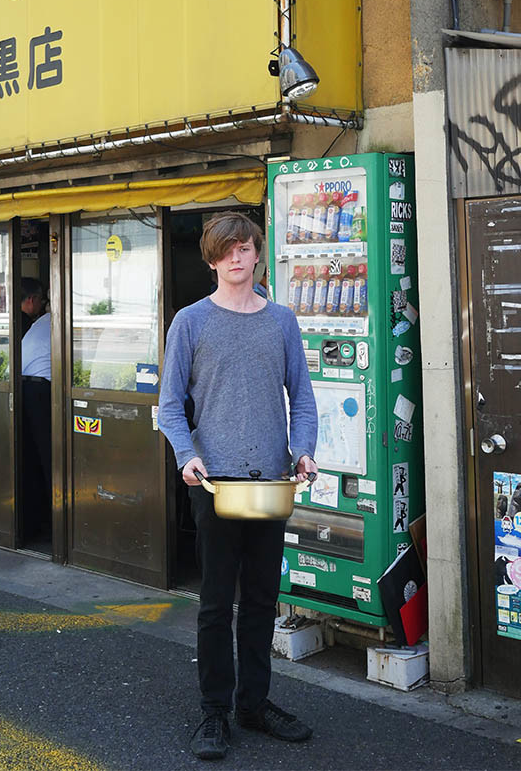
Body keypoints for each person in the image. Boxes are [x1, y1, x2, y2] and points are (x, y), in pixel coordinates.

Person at [158, 212, 318, 761]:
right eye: (226, 249)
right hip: (214, 485)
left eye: (245, 248)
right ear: (211, 258)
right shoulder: (191, 322)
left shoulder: (282, 321)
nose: (236, 257)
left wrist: (303, 450)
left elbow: (303, 397)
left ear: (257, 255)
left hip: (272, 482)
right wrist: (187, 456)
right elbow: (169, 405)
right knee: (215, 603)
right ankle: (214, 711)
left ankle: (254, 703)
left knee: (261, 600)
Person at [21, 289, 51, 539]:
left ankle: (39, 522)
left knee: (35, 457)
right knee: (50, 456)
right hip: (42, 392)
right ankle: (54, 522)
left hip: (26, 387)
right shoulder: (57, 321)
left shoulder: (40, 323)